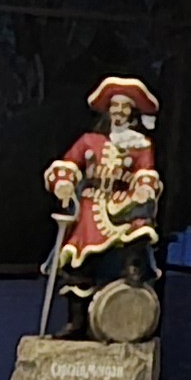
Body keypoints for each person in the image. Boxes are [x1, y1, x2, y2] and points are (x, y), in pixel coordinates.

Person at [36, 76, 164, 340]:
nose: (119, 111)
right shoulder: (89, 141)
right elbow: (68, 164)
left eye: (125, 107)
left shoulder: (141, 146)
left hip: (122, 202)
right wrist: (63, 182)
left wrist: (143, 188)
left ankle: (133, 268)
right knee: (77, 263)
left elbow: (146, 173)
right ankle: (77, 321)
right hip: (90, 207)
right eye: (115, 106)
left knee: (139, 222)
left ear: (132, 112)